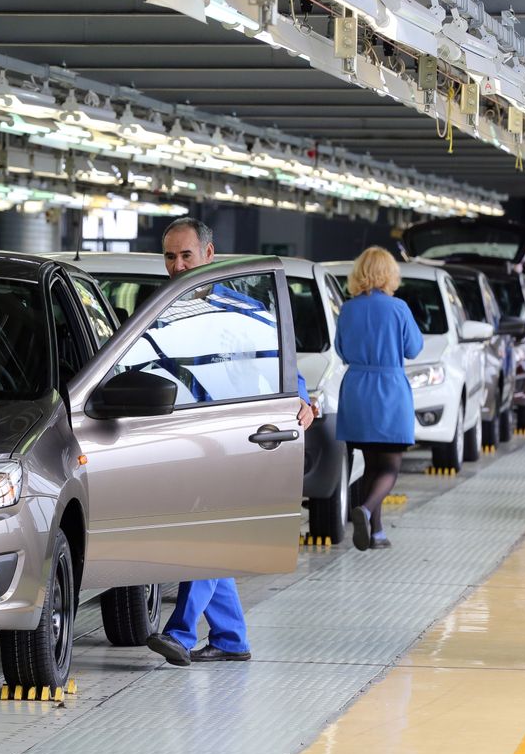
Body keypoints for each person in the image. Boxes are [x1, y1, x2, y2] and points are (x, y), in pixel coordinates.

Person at [145, 218, 315, 667]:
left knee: (207, 537)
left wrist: (301, 399)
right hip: (183, 441)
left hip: (235, 440)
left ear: (209, 255)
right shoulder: (158, 312)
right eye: (170, 256)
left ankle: (179, 633)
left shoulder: (243, 313)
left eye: (186, 255)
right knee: (211, 537)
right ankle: (231, 638)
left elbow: (278, 358)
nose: (178, 265)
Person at [335, 246, 423, 552]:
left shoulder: (347, 309)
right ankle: (368, 509)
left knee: (371, 463)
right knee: (390, 467)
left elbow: (342, 351)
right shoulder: (398, 308)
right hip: (389, 388)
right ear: (390, 274)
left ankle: (377, 532)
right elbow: (414, 348)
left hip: (357, 389)